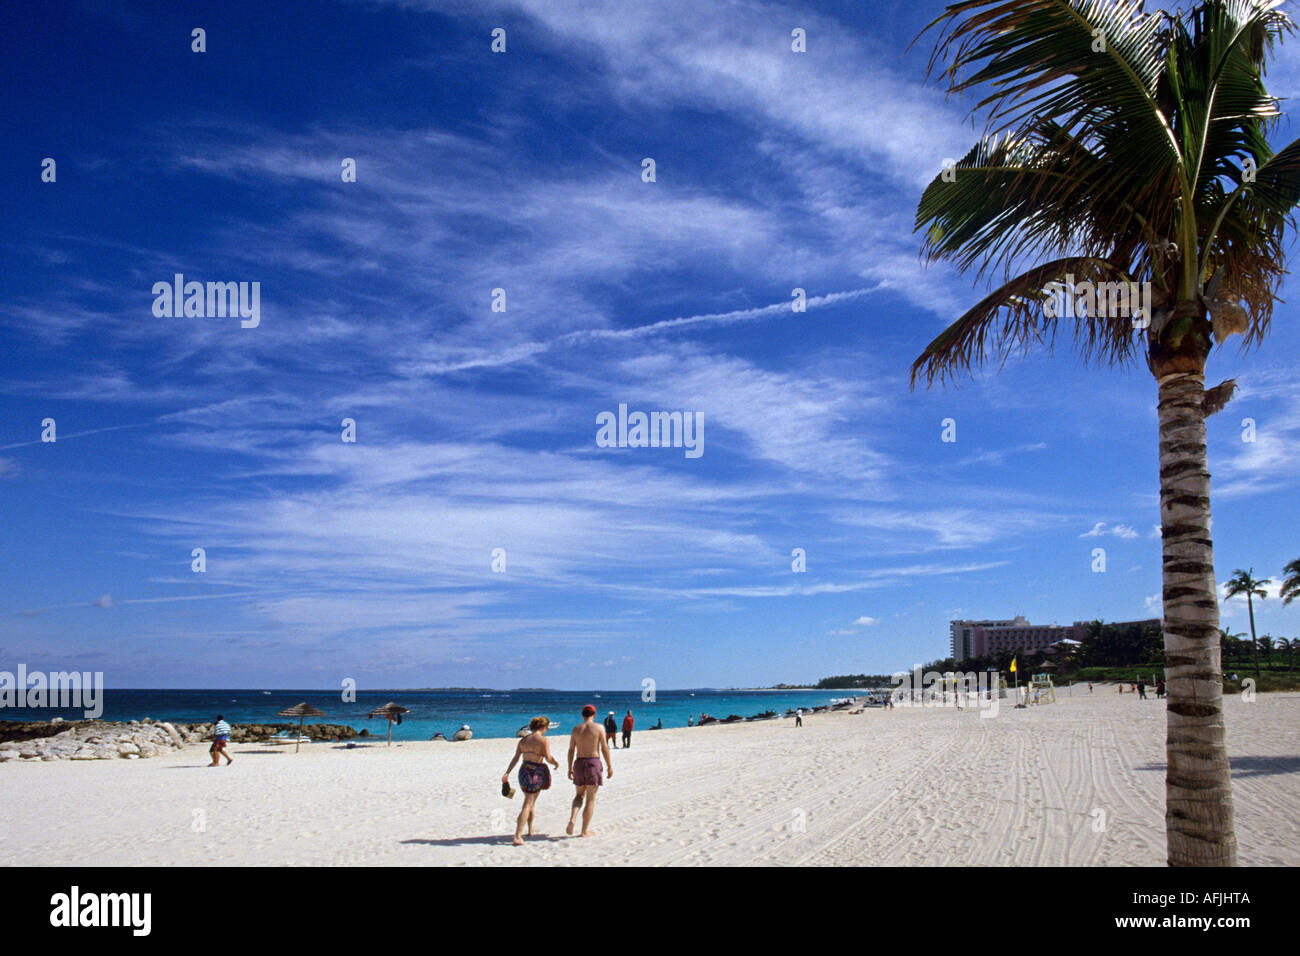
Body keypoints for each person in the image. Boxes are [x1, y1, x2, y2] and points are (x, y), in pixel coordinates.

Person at [502, 716, 560, 846]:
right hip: (536, 772)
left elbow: (516, 758)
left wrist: (507, 772)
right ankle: (517, 836)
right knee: (528, 803)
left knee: (530, 801)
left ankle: (530, 830)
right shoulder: (543, 740)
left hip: (523, 771)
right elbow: (548, 758)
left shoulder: (523, 740)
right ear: (544, 727)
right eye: (546, 728)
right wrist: (555, 762)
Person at [567, 704, 613, 837]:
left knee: (579, 795)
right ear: (594, 714)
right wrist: (609, 765)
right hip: (593, 762)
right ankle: (584, 831)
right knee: (590, 799)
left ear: (582, 715)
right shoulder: (599, 728)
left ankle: (573, 818)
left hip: (579, 763)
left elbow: (571, 750)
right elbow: (604, 748)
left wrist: (569, 767)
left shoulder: (576, 729)